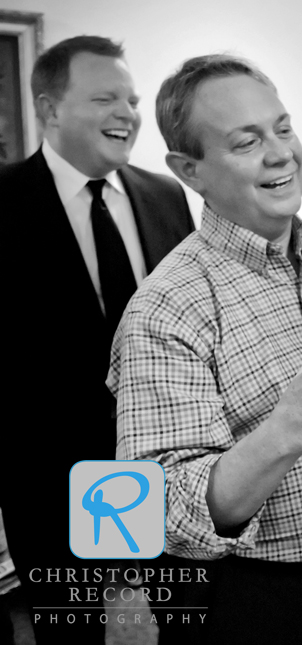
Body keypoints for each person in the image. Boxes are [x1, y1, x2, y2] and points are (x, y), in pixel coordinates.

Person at [106, 54, 302, 644]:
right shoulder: (166, 309)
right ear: (190, 170)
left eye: (283, 128)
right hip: (266, 603)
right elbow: (165, 513)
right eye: (247, 142)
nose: (281, 153)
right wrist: (285, 432)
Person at [0, 36, 195, 643]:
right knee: (77, 631)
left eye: (132, 99)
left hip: (164, 463)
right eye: (105, 98)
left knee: (173, 624)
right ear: (50, 108)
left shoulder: (165, 196)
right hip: (48, 477)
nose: (128, 114)